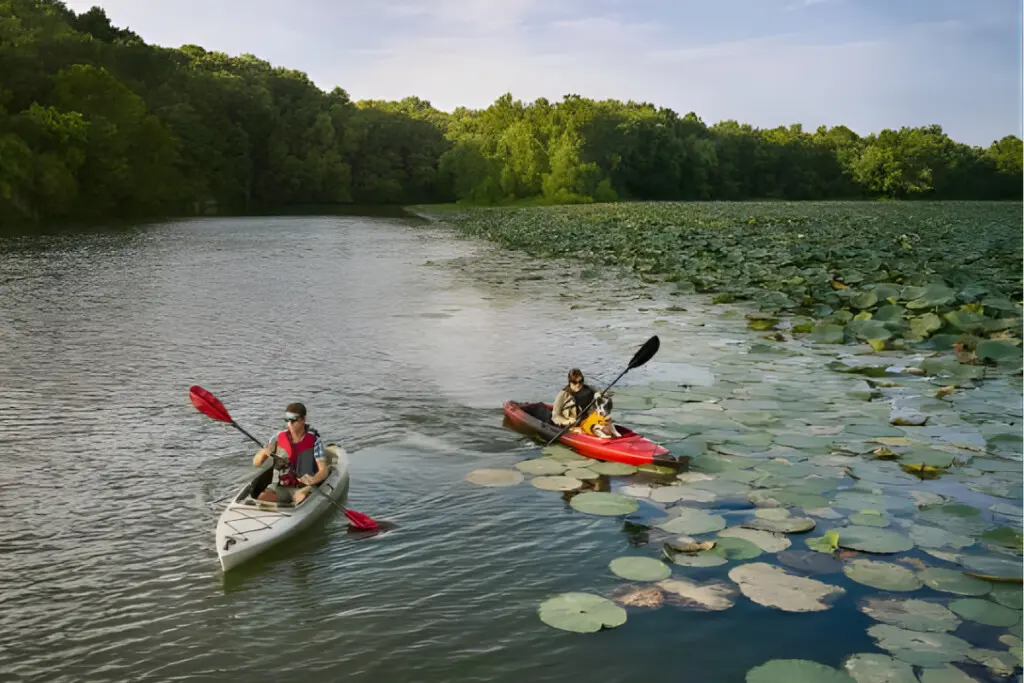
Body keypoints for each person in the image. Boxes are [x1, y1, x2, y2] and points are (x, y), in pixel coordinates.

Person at [252, 402, 328, 505]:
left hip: (303, 488)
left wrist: (312, 480)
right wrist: (263, 453)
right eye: (287, 420)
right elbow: (256, 463)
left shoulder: (314, 441)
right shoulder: (277, 439)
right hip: (279, 487)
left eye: (293, 420)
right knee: (262, 497)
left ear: (303, 420)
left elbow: (323, 470)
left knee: (301, 498)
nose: (289, 424)